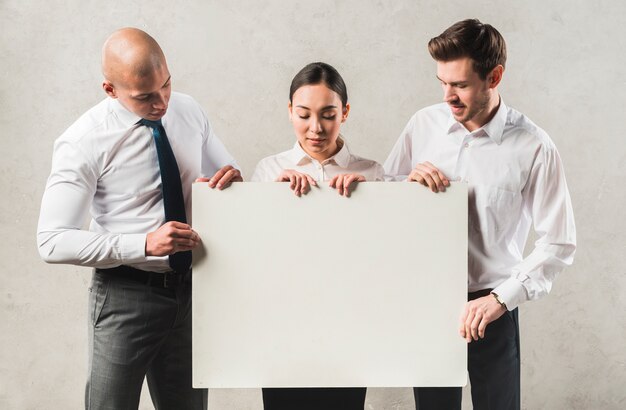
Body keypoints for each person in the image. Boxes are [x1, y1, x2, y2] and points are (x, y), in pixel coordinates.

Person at [37, 28, 242, 410]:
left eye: (166, 85)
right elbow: (51, 239)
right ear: (110, 89)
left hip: (191, 292)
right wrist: (145, 243)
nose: (162, 101)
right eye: (145, 96)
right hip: (124, 296)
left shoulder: (189, 110)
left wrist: (233, 179)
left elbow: (226, 174)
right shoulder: (83, 141)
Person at [384, 19, 576, 410]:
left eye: (460, 85)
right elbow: (383, 200)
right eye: (442, 82)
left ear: (495, 76)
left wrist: (500, 301)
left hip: (495, 306)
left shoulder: (534, 146)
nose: (448, 96)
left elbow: (558, 242)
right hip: (430, 301)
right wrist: (405, 185)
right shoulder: (423, 125)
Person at [252, 61, 383, 410]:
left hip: (349, 327)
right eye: (304, 114)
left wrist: (370, 202)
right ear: (290, 112)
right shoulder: (269, 170)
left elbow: (384, 257)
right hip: (283, 326)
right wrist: (272, 202)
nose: (316, 128)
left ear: (345, 112)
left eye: (328, 114)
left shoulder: (371, 172)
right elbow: (255, 256)